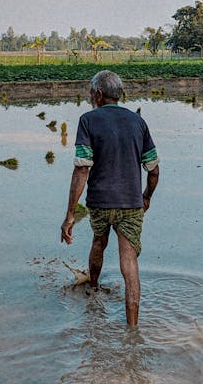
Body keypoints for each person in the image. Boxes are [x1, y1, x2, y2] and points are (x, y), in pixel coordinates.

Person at [61, 70, 159, 325]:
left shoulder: (88, 121)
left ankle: (93, 289)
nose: (90, 97)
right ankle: (133, 328)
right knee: (129, 262)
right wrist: (146, 196)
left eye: (91, 93)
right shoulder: (138, 122)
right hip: (131, 202)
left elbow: (82, 168)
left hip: (100, 202)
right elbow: (154, 169)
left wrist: (70, 216)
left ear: (99, 94)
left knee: (98, 242)